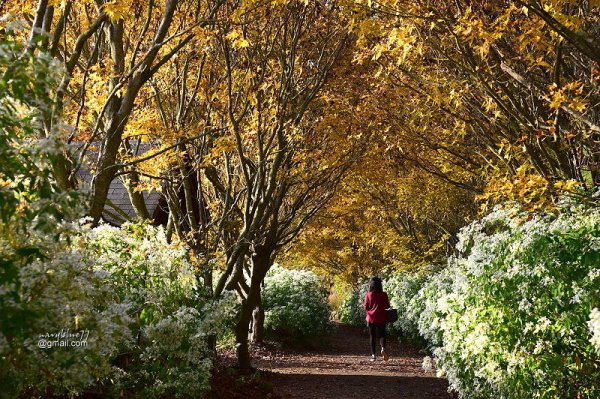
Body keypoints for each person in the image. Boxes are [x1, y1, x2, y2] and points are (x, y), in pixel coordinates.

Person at [363, 276, 390, 361]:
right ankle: (383, 349)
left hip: (371, 318)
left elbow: (366, 307)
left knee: (372, 336)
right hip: (382, 317)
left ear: (371, 285)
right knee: (382, 335)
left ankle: (373, 356)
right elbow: (387, 306)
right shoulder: (384, 294)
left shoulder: (368, 295)